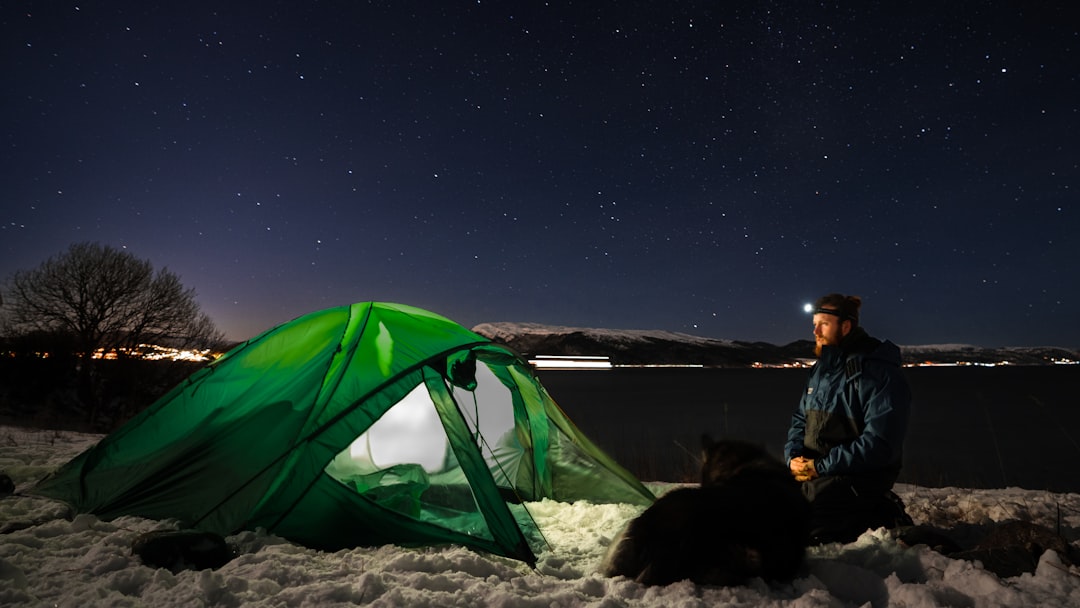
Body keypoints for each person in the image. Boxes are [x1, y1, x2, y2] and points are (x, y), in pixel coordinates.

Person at [784, 293, 913, 544]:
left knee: (798, 532)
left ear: (846, 326)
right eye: (814, 323)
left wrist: (819, 466)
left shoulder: (878, 373)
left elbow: (880, 444)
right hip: (816, 474)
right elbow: (801, 418)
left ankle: (881, 513)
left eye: (824, 323)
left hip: (855, 478)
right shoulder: (821, 370)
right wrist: (793, 457)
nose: (815, 330)